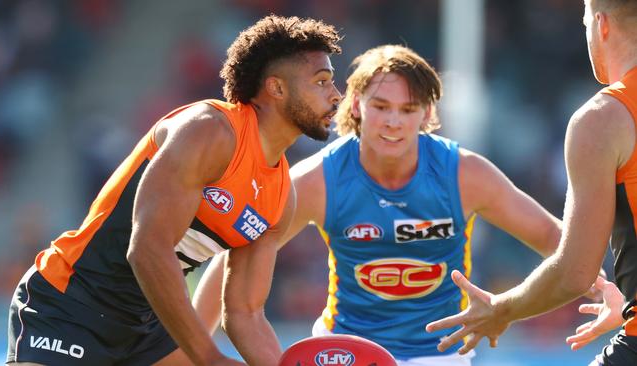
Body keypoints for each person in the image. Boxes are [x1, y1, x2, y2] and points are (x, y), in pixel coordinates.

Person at [195, 44, 566, 366]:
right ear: (356, 105)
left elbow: (555, 238)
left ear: (427, 113)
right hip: (344, 352)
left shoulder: (465, 175)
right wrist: (190, 348)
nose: (393, 121)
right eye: (381, 106)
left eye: (408, 109)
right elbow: (236, 259)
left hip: (439, 354)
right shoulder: (317, 180)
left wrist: (601, 289)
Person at [6, 15, 342, 366]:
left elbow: (245, 313)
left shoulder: (281, 197)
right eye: (322, 82)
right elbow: (147, 249)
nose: (336, 96)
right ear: (276, 88)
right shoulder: (209, 131)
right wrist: (210, 358)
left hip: (148, 326)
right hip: (71, 305)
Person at [425, 0, 637, 364]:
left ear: (600, 24)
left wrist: (501, 308)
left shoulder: (604, 118)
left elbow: (576, 272)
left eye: (584, 21)